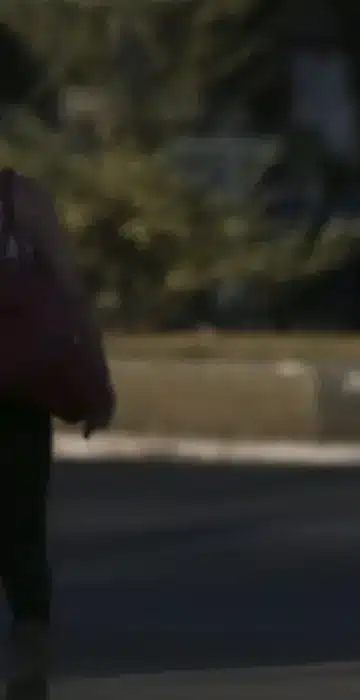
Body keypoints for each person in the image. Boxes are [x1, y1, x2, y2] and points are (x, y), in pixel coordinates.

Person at [0, 173, 110, 696]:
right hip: (18, 389)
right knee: (21, 523)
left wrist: (94, 376)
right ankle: (30, 651)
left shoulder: (20, 199)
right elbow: (71, 294)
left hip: (16, 390)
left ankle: (31, 654)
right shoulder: (21, 199)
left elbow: (70, 294)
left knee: (21, 522)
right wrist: (96, 376)